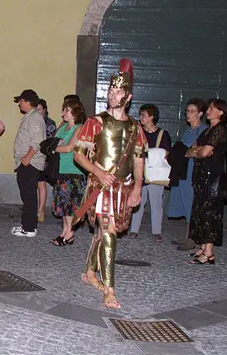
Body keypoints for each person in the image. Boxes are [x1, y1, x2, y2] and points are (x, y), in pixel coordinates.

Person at [73, 59, 145, 309]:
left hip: (122, 188)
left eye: (118, 92)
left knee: (103, 233)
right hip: (101, 187)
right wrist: (98, 172)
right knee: (109, 232)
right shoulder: (96, 122)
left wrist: (137, 188)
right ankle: (110, 289)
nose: (112, 95)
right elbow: (78, 155)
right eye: (110, 91)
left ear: (128, 96)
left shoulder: (136, 127)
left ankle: (89, 272)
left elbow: (138, 160)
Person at [186, 98, 227, 265]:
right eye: (209, 108)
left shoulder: (220, 129)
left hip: (213, 178)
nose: (209, 111)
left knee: (210, 213)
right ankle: (203, 246)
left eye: (213, 108)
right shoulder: (206, 131)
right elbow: (192, 151)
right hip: (201, 177)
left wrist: (200, 151)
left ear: (221, 112)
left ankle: (209, 253)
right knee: (200, 211)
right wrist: (199, 151)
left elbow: (204, 152)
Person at [168, 98, 208, 251]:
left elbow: (196, 152)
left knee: (193, 204)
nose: (188, 114)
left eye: (192, 111)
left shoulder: (203, 131)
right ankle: (188, 235)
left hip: (194, 172)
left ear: (200, 113)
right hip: (184, 172)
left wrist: (188, 152)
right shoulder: (188, 131)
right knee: (185, 204)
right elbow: (186, 151)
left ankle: (193, 238)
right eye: (187, 111)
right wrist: (187, 151)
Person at [128, 103, 172, 243]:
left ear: (152, 117)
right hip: (140, 171)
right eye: (140, 115)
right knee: (138, 201)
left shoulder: (162, 134)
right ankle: (134, 229)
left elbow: (166, 153)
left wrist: (151, 156)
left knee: (156, 202)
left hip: (155, 173)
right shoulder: (137, 132)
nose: (141, 118)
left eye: (144, 115)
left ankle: (157, 231)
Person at [50, 97, 86, 247]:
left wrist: (53, 149)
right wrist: (55, 146)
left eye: (66, 110)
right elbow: (54, 140)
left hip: (74, 170)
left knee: (71, 203)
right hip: (60, 168)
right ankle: (65, 231)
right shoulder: (63, 126)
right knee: (63, 203)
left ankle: (69, 232)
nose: (63, 113)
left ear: (73, 112)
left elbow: (70, 148)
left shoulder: (79, 127)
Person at [12, 89, 46, 237]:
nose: (19, 104)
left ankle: (29, 227)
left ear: (26, 101)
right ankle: (28, 225)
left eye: (21, 101)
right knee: (27, 195)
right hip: (26, 162)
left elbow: (38, 141)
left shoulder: (34, 118)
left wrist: (27, 157)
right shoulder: (30, 117)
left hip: (30, 162)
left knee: (29, 194)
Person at [36, 99, 57, 223]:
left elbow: (49, 141)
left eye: (39, 109)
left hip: (44, 157)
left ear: (44, 110)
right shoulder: (32, 120)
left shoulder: (49, 123)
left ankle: (41, 211)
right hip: (33, 156)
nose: (37, 112)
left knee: (41, 184)